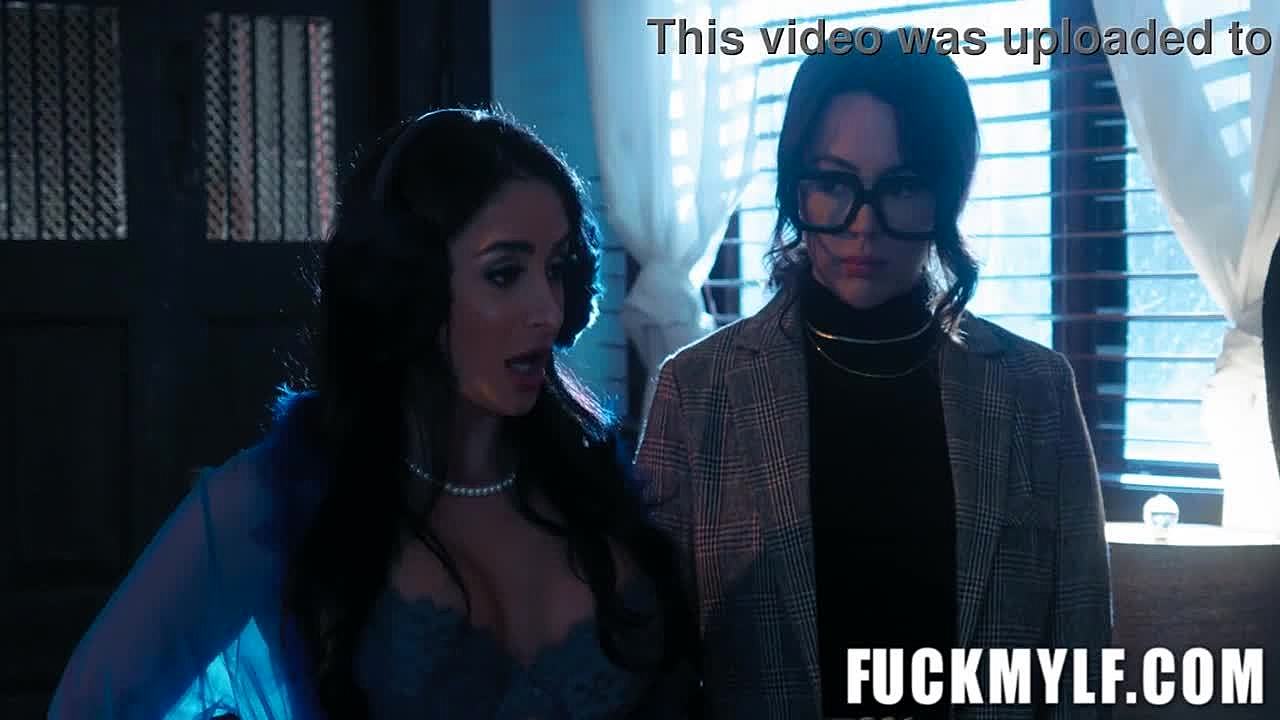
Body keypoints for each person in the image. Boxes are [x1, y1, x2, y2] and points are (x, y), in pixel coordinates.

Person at [49, 107, 700, 719]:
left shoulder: (598, 481)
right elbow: (90, 704)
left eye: (557, 270)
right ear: (410, 286)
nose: (549, 312)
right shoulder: (279, 497)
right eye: (504, 274)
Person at [635, 30, 1112, 720]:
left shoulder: (1034, 389)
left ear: (945, 194)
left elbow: (1080, 660)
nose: (864, 226)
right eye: (833, 184)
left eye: (903, 185)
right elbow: (656, 671)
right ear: (795, 187)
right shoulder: (698, 389)